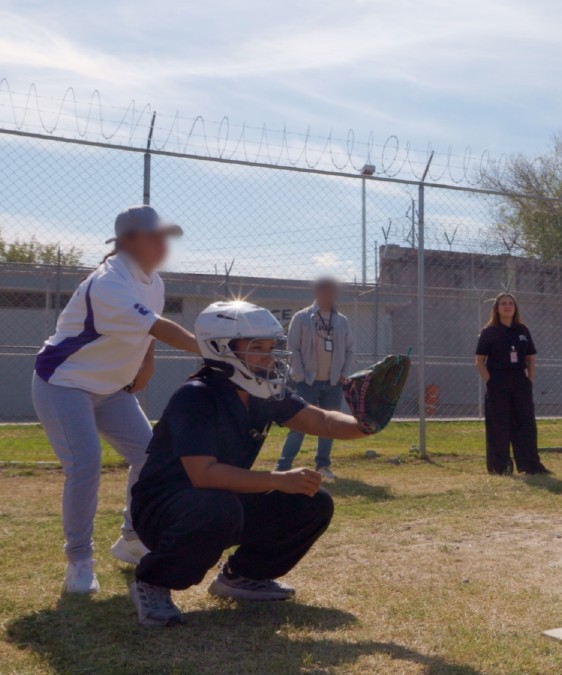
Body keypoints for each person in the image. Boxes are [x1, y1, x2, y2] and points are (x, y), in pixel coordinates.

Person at [128, 300, 406, 627]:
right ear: (220, 348)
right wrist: (278, 479)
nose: (269, 355)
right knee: (219, 509)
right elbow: (202, 474)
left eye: (271, 346)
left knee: (311, 502)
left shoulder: (264, 391)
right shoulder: (196, 396)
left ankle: (241, 576)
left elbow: (323, 421)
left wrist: (365, 424)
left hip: (219, 499)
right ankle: (153, 581)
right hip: (164, 508)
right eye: (257, 347)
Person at [31, 205, 200, 595]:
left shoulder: (152, 281)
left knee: (151, 458)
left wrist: (148, 362)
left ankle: (132, 538)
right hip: (64, 383)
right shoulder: (108, 281)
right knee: (85, 464)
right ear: (127, 241)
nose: (162, 244)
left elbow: (147, 331)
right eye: (153, 236)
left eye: (165, 236)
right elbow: (157, 324)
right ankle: (79, 561)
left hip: (111, 390)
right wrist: (209, 349)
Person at [277, 277, 355, 481]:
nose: (328, 295)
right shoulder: (302, 317)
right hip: (308, 382)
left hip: (333, 383)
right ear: (317, 292)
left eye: (332, 291)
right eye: (324, 291)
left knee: (329, 425)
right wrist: (299, 374)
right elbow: (292, 347)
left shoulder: (341, 320)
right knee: (299, 424)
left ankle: (323, 465)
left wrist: (343, 374)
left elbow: (348, 350)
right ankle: (284, 465)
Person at [475, 293, 548, 475]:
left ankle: (530, 465)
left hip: (520, 381)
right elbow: (479, 361)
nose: (507, 307)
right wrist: (490, 381)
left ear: (515, 308)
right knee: (498, 424)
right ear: (497, 309)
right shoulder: (489, 331)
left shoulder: (522, 330)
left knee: (525, 423)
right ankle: (500, 466)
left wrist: (528, 381)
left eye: (511, 303)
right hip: (498, 381)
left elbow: (531, 358)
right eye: (503, 304)